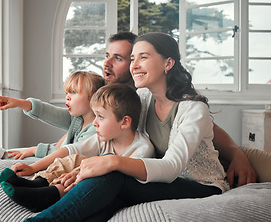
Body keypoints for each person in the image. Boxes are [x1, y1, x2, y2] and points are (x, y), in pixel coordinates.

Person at [17, 32, 231, 222]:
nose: (134, 65)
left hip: (201, 185)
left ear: (168, 63)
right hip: (158, 178)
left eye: (143, 57)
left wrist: (111, 161)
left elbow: (172, 166)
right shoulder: (144, 98)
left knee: (114, 175)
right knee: (107, 199)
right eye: (132, 58)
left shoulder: (194, 109)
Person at [104, 31, 256, 188]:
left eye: (118, 58)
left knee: (114, 179)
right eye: (132, 59)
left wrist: (237, 155)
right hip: (158, 174)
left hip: (194, 181)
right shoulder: (137, 94)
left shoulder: (188, 106)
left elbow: (210, 129)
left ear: (168, 63)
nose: (107, 63)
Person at [0, 84, 154, 212]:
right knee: (74, 158)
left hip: (110, 189)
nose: (94, 123)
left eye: (100, 116)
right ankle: (38, 183)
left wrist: (80, 174)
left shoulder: (142, 149)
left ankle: (49, 196)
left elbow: (116, 181)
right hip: (92, 173)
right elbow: (69, 150)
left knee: (87, 170)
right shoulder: (104, 138)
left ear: (124, 122)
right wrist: (33, 168)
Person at [0, 71, 104, 170]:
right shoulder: (77, 119)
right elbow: (49, 112)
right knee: (22, 151)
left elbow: (69, 157)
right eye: (66, 93)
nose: (67, 97)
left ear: (93, 98)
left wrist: (36, 149)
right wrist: (19, 103)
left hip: (61, 164)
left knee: (24, 156)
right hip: (55, 155)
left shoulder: (95, 131)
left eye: (74, 92)